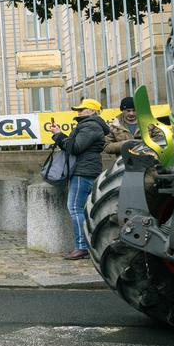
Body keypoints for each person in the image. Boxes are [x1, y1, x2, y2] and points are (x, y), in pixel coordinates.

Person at [49, 99, 110, 260]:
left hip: (83, 171)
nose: (78, 112)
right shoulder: (90, 125)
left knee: (75, 207)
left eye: (82, 109)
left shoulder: (90, 126)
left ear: (92, 111)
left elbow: (75, 148)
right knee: (86, 210)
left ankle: (82, 247)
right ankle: (89, 246)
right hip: (86, 170)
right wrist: (59, 134)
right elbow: (74, 145)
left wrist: (58, 135)